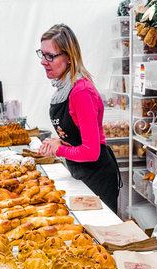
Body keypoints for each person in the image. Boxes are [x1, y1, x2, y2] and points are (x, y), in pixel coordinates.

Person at [37, 24, 121, 214]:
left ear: (68, 57)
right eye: (42, 54)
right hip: (81, 173)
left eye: (50, 56)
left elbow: (91, 152)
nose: (43, 61)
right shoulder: (63, 89)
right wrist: (61, 140)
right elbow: (79, 136)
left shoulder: (80, 91)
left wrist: (60, 150)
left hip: (97, 176)